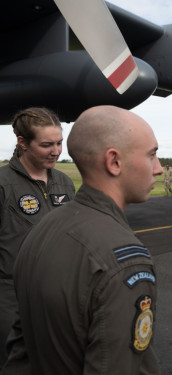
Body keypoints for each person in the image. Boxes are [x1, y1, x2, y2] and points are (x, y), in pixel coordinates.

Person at [2, 106, 163, 374]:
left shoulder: (42, 229)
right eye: (152, 155)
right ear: (114, 161)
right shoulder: (125, 262)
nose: (158, 169)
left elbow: (21, 346)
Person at [0, 107, 75, 367]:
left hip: (56, 294)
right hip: (11, 297)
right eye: (46, 145)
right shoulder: (2, 184)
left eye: (59, 143)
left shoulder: (64, 183)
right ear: (23, 143)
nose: (56, 151)